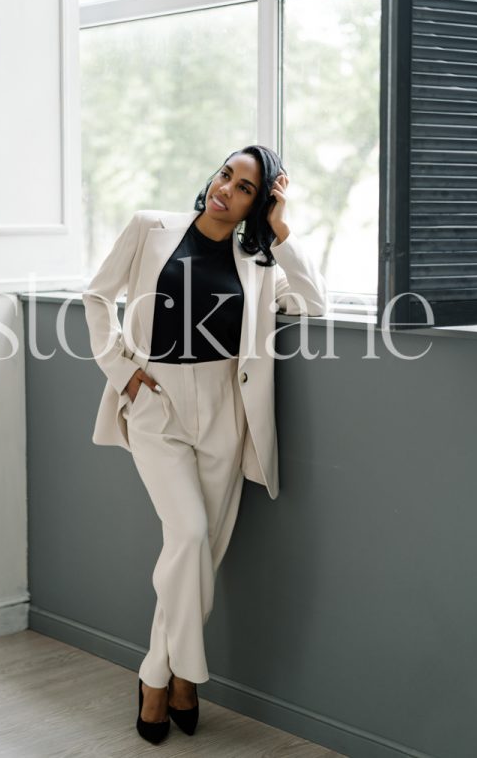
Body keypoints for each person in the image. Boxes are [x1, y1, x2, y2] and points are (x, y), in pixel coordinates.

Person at [82, 145, 328, 744]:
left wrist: (282, 231)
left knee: (202, 553)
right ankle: (169, 675)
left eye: (245, 188)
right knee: (189, 534)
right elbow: (96, 295)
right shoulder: (150, 228)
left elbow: (314, 305)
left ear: (258, 202)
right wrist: (123, 373)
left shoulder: (259, 260)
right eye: (225, 175)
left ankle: (165, 679)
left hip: (225, 406)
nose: (226, 189)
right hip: (155, 400)